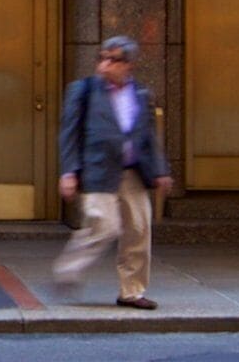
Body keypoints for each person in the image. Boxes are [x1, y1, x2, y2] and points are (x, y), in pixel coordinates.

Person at [53, 34, 170, 310]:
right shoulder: (83, 90)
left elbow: (149, 137)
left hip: (132, 173)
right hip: (98, 170)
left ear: (128, 64)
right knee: (104, 226)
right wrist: (69, 171)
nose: (105, 64)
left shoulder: (140, 95)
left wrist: (160, 170)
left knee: (138, 232)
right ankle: (68, 269)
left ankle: (131, 291)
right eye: (102, 58)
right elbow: (69, 134)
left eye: (113, 59)